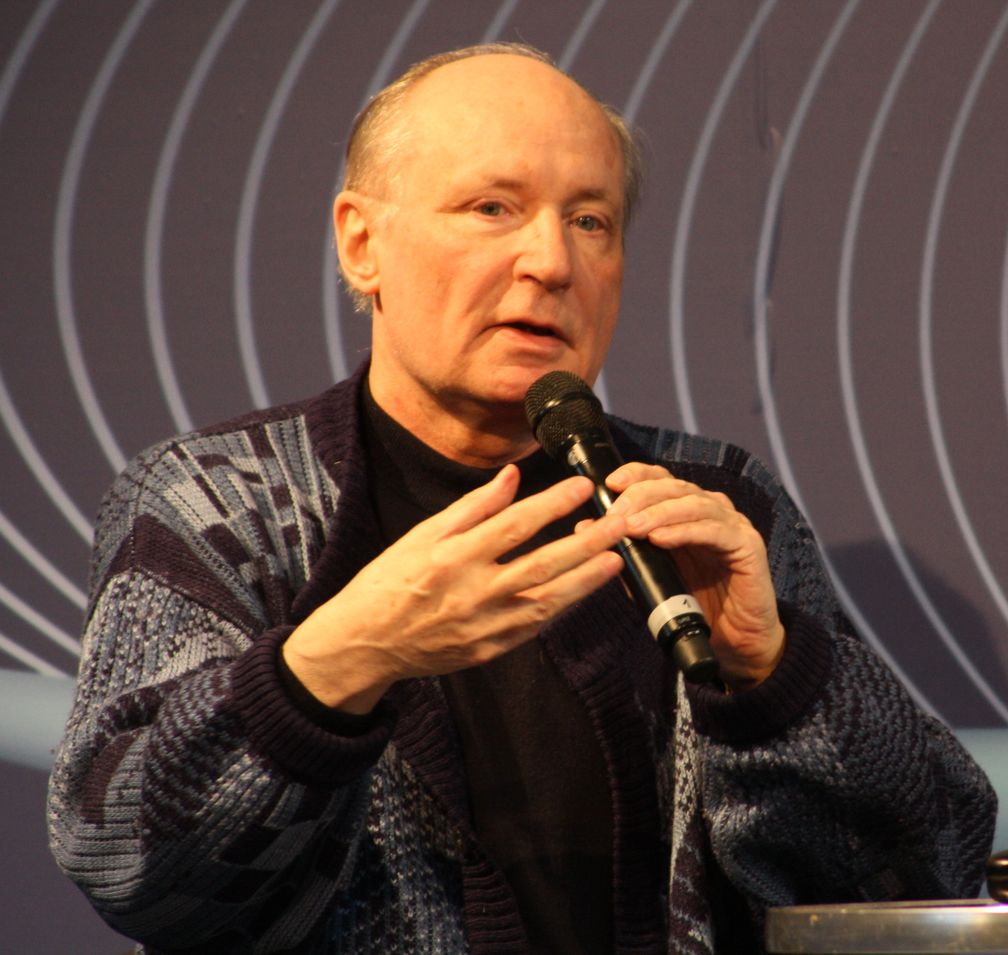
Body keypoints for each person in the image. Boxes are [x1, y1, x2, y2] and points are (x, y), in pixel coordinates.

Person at [47, 43, 996, 955]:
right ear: (361, 240)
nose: (552, 261)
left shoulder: (715, 503)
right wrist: (341, 661)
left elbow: (928, 867)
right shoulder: (221, 501)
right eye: (493, 207)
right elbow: (122, 853)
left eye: (592, 220)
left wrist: (775, 678)